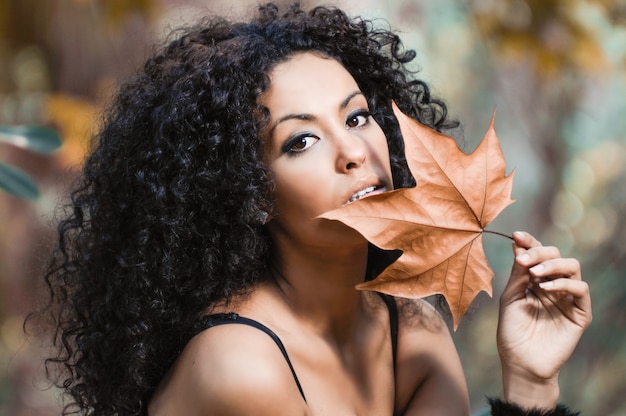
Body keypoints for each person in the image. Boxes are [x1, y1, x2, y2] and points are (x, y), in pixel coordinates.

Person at [35, 3, 592, 415]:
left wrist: (531, 384)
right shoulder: (241, 366)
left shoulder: (413, 333)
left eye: (356, 118)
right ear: (248, 194)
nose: (354, 152)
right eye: (300, 141)